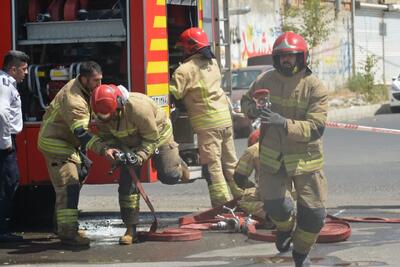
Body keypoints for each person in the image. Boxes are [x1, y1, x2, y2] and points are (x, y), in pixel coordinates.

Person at [241, 31, 328, 267]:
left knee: (314, 217)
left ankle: (300, 252)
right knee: (277, 207)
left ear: (302, 57)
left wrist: (284, 123)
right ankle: (284, 228)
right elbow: (246, 102)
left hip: (305, 161)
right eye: (282, 57)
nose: (286, 61)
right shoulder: (265, 80)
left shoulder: (314, 87)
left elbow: (316, 128)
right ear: (275, 59)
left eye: (291, 56)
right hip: (273, 160)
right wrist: (254, 110)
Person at [87, 84, 190, 245]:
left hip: (158, 136)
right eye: (102, 117)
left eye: (110, 115)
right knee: (126, 185)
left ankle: (179, 165)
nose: (106, 119)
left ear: (119, 105)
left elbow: (151, 138)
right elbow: (108, 137)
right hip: (129, 144)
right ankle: (131, 229)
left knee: (169, 176)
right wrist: (114, 151)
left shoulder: (139, 109)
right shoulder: (101, 114)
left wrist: (140, 156)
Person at [169, 27, 242, 207]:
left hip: (208, 124)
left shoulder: (184, 71)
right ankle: (244, 200)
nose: (182, 51)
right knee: (231, 163)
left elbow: (173, 95)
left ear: (191, 48)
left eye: (183, 48)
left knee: (214, 165)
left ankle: (223, 205)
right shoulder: (213, 63)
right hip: (225, 119)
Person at [37, 61, 102, 246]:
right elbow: (81, 133)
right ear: (84, 79)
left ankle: (60, 225)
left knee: (79, 176)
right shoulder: (74, 98)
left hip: (66, 142)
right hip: (55, 144)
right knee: (69, 185)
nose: (99, 85)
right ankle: (68, 233)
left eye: (100, 80)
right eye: (95, 81)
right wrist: (104, 149)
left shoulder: (82, 88)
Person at [0, 50, 29, 242]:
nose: (26, 72)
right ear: (13, 68)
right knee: (8, 184)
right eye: (24, 69)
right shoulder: (4, 85)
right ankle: (2, 231)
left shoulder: (6, 82)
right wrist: (6, 142)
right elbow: (1, 113)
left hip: (5, 140)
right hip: (4, 143)